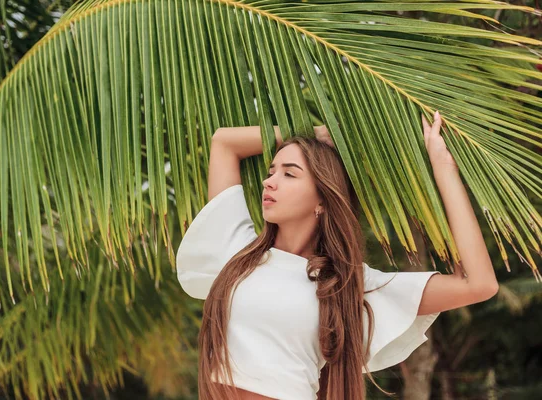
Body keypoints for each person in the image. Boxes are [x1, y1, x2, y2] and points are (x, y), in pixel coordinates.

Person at [176, 111, 499, 400]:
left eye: (289, 174)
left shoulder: (345, 284)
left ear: (322, 200)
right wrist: (326, 134)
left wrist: (443, 166)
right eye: (272, 171)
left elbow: (479, 284)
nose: (268, 182)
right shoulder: (237, 252)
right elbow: (224, 142)